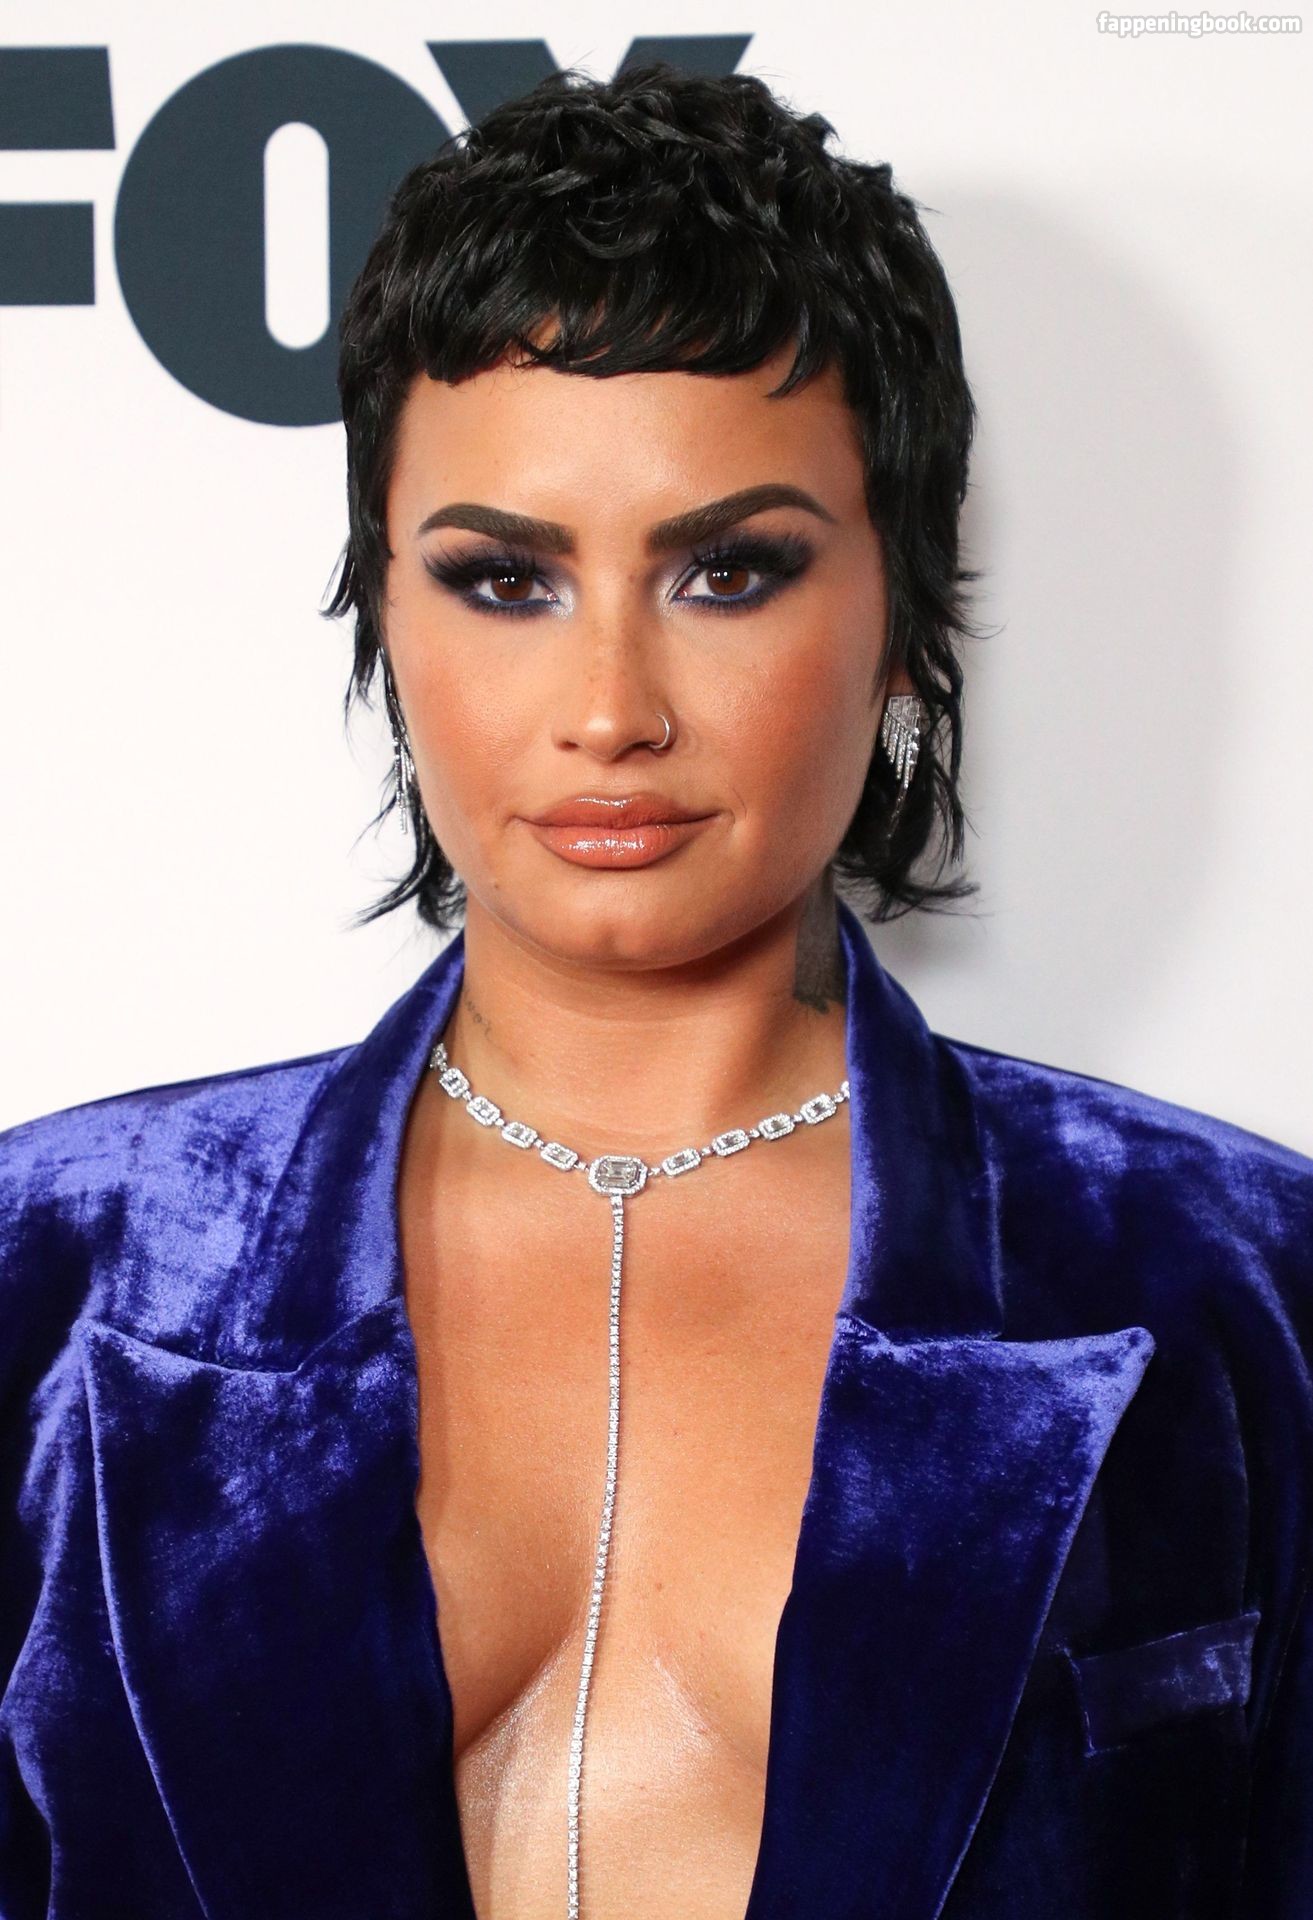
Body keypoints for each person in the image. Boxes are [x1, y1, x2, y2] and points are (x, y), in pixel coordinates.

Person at [0, 59, 1309, 1920]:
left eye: (728, 571)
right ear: (385, 613)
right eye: (503, 580)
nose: (610, 708)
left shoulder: (1234, 1287)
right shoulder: (52, 1278)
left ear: (905, 615)